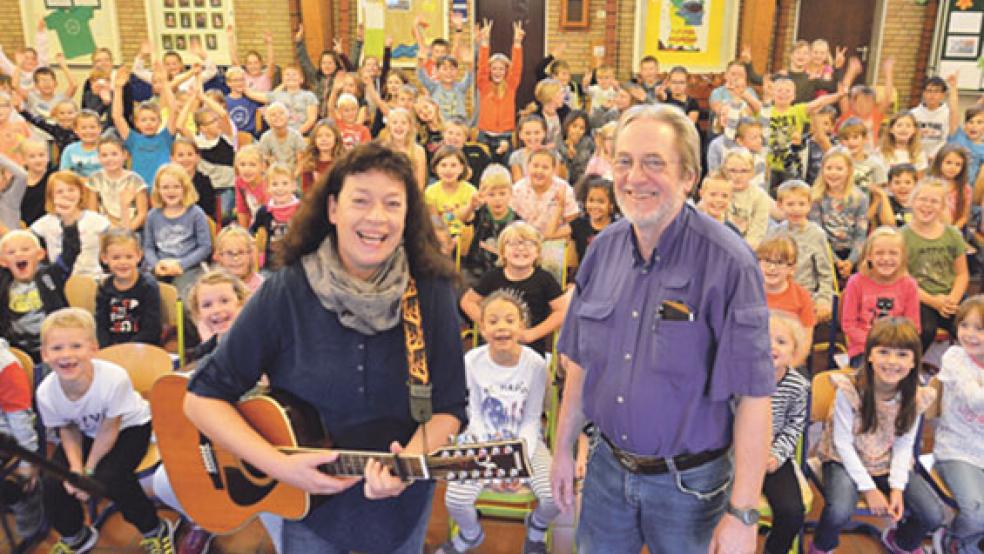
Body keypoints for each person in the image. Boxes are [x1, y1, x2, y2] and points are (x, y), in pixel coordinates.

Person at [184, 143, 468, 553]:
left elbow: (448, 408)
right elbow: (201, 399)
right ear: (333, 209)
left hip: (399, 509)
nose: (376, 217)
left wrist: (407, 464)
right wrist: (279, 465)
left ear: (408, 217)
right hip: (308, 511)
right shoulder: (287, 290)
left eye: (392, 203)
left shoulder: (432, 292)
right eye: (361, 201)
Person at [550, 104, 774, 553]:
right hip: (606, 474)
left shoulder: (729, 263)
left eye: (655, 163)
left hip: (689, 489)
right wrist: (562, 449)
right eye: (625, 162)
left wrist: (743, 514)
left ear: (689, 176)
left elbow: (754, 395)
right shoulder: (603, 250)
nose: (635, 178)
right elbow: (579, 364)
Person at [37, 308, 176, 554]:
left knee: (112, 478)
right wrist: (74, 469)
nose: (67, 355)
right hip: (85, 431)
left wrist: (87, 471)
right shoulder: (46, 392)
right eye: (57, 348)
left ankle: (155, 529)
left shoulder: (113, 378)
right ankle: (75, 536)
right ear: (45, 355)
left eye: (76, 346)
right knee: (51, 481)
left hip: (129, 426)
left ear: (93, 348)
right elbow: (67, 429)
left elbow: (109, 429)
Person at [439, 290, 559, 554]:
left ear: (522, 326)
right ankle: (471, 535)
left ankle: (537, 526)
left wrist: (514, 463)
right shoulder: (471, 361)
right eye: (492, 321)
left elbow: (531, 420)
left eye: (509, 320)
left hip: (525, 443)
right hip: (480, 441)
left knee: (555, 496)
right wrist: (495, 461)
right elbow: (476, 416)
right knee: (455, 500)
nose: (502, 327)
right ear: (482, 329)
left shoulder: (536, 364)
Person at [811, 317, 944, 554]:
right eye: (884, 352)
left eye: (902, 355)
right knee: (839, 510)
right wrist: (869, 489)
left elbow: (904, 445)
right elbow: (843, 444)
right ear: (870, 355)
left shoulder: (914, 395)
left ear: (914, 362)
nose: (892, 361)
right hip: (843, 459)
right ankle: (822, 546)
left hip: (885, 459)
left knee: (933, 515)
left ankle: (899, 541)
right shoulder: (849, 389)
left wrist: (897, 488)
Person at [933, 295, 984, 554]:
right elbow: (976, 400)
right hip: (957, 451)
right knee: (977, 514)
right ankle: (955, 538)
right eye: (964, 325)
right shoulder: (955, 357)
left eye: (980, 328)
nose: (970, 335)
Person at [762, 311, 811, 554]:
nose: (772, 346)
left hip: (774, 458)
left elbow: (794, 426)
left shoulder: (798, 386)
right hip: (735, 457)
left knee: (792, 512)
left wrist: (776, 456)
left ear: (794, 351)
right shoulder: (736, 377)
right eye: (764, 338)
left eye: (781, 341)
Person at [840, 226, 920, 367]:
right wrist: (877, 346)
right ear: (869, 256)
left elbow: (913, 327)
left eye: (893, 253)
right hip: (863, 349)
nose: (886, 259)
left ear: (902, 257)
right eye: (879, 253)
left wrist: (892, 348)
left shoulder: (909, 285)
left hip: (898, 348)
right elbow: (849, 325)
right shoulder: (856, 282)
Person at [95, 228, 162, 347]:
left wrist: (128, 348)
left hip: (142, 348)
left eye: (129, 257)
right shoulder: (104, 288)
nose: (123, 262)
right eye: (116, 257)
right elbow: (101, 326)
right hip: (113, 348)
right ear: (105, 258)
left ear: (139, 256)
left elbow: (152, 330)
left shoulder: (148, 287)